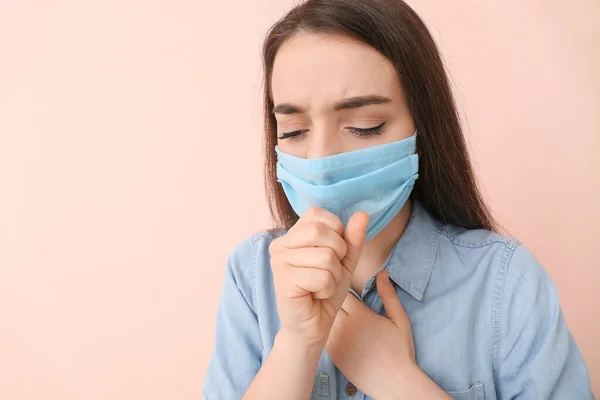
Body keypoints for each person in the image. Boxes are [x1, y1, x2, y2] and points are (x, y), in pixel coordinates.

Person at [202, 0, 595, 399]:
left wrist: (396, 381)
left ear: (422, 126)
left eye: (364, 126)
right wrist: (297, 344)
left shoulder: (504, 281)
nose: (321, 159)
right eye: (292, 130)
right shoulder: (252, 276)